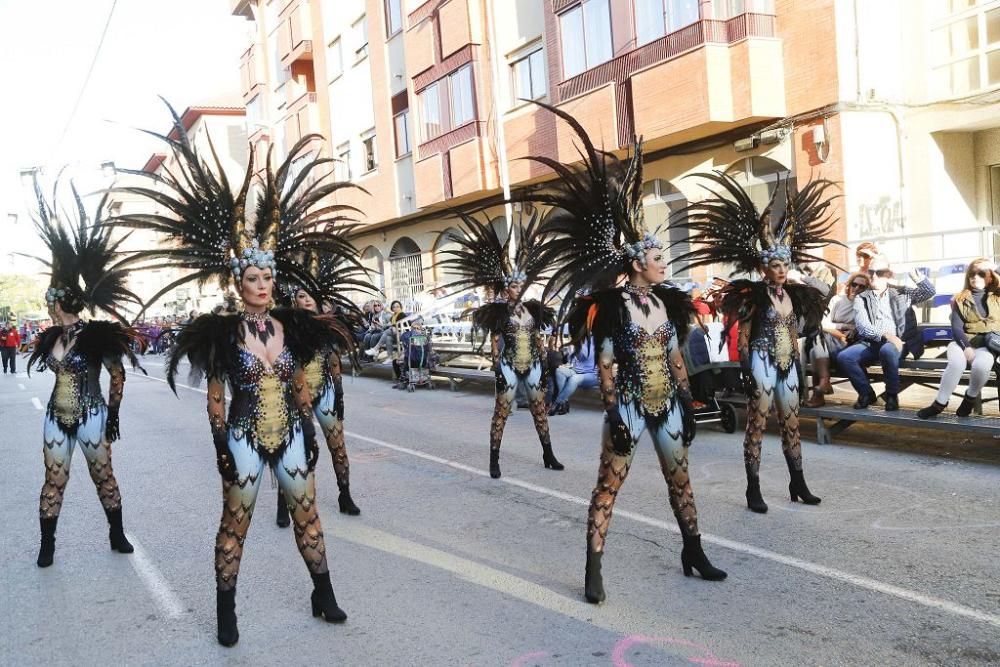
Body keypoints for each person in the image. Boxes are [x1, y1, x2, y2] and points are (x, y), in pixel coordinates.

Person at [112, 102, 360, 646]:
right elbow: (217, 398)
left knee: (308, 515)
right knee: (237, 524)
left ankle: (324, 593)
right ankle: (227, 611)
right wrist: (220, 444)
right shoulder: (225, 334)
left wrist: (310, 429)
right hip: (245, 438)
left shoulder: (290, 329)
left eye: (269, 276)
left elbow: (299, 385)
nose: (264, 284)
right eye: (254, 277)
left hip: (291, 433)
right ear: (238, 283)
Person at [518, 103, 726, 602]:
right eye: (656, 258)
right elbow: (607, 365)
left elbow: (676, 357)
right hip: (629, 407)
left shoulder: (667, 303)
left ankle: (693, 550)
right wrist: (614, 413)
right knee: (608, 487)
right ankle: (593, 568)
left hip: (667, 404)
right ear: (636, 263)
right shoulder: (613, 309)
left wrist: (689, 401)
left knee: (682, 482)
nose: (663, 263)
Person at [679, 171, 839, 515]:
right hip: (763, 365)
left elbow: (809, 317)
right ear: (764, 267)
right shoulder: (754, 296)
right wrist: (748, 369)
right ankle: (754, 488)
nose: (781, 270)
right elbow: (746, 336)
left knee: (792, 424)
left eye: (784, 264)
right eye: (775, 264)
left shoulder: (795, 295)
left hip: (787, 366)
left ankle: (798, 482)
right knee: (757, 425)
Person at [23, 174, 144, 568]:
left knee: (102, 476)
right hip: (57, 417)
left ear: (60, 304)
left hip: (93, 415)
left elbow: (117, 374)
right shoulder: (50, 337)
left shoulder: (95, 336)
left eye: (50, 302)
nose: (48, 308)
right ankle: (48, 544)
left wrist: (114, 414)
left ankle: (117, 532)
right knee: (54, 480)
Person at [439, 206, 564, 479]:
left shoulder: (532, 310)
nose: (519, 289)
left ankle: (548, 454)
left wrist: (542, 361)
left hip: (531, 364)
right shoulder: (499, 311)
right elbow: (496, 341)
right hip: (508, 365)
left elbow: (537, 337)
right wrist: (496, 366)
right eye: (515, 286)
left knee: (539, 411)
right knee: (502, 412)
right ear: (507, 288)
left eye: (522, 285)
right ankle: (494, 460)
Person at [838, 255, 935, 411]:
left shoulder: (902, 293)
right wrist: (888, 335)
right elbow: (863, 327)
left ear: (889, 275)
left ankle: (891, 395)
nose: (874, 275)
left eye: (880, 272)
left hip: (897, 344)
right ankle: (866, 393)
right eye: (871, 271)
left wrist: (917, 277)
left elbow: (929, 291)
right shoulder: (862, 298)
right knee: (845, 357)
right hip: (872, 342)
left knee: (887, 350)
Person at [918, 258, 1000, 419]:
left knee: (982, 366)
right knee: (956, 364)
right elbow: (956, 327)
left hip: (986, 345)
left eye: (981, 273)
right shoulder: (960, 298)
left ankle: (969, 398)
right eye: (972, 273)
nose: (975, 276)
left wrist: (994, 269)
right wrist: (966, 347)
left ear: (990, 277)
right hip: (961, 342)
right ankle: (939, 403)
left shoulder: (997, 296)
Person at [803, 272, 870, 407]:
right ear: (849, 284)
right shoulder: (837, 300)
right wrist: (844, 328)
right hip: (833, 337)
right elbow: (824, 324)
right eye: (854, 284)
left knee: (816, 345)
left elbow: (862, 327)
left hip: (848, 343)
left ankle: (820, 393)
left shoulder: (866, 304)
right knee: (818, 340)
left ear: (866, 290)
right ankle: (823, 383)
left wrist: (850, 329)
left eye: (861, 287)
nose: (856, 288)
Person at [548, 335, 597, 415]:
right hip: (576, 371)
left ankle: (557, 403)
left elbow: (583, 356)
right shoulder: (579, 342)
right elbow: (569, 360)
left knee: (574, 379)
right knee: (559, 371)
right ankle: (564, 402)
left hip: (592, 375)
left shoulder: (594, 342)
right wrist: (570, 351)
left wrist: (576, 347)